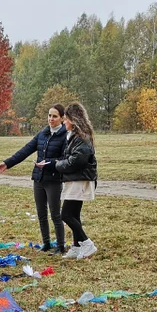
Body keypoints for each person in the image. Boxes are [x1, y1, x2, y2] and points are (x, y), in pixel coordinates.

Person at [0, 104, 68, 254]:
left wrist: (48, 164)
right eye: (49, 115)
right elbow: (26, 150)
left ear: (62, 118)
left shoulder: (65, 135)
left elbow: (65, 159)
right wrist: (7, 163)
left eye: (54, 116)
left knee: (55, 214)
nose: (51, 119)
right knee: (41, 213)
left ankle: (61, 246)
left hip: (54, 179)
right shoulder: (43, 134)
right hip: (38, 179)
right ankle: (46, 243)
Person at [55, 102, 98, 260]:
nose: (64, 122)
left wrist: (57, 165)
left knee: (65, 214)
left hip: (79, 180)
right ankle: (77, 245)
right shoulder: (75, 136)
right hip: (75, 179)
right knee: (74, 214)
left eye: (65, 119)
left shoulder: (82, 138)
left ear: (72, 120)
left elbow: (75, 161)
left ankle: (87, 243)